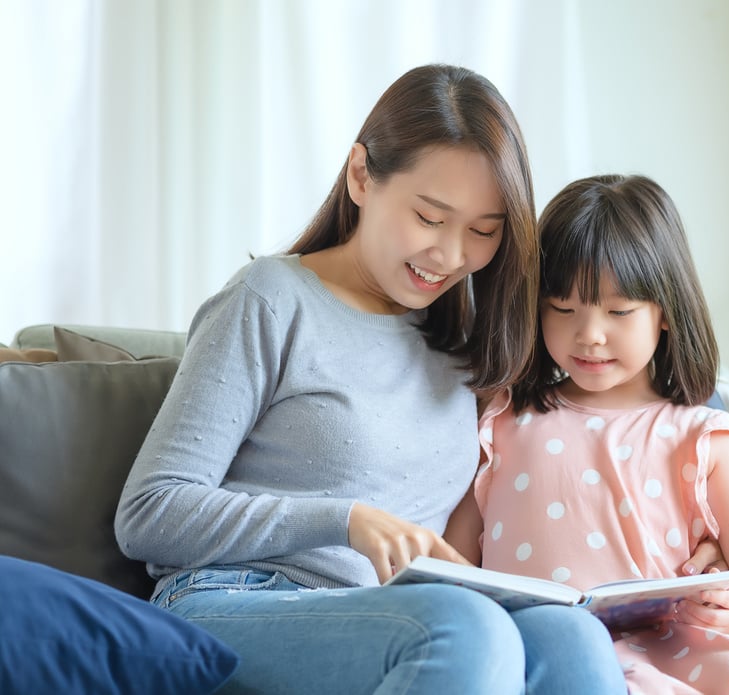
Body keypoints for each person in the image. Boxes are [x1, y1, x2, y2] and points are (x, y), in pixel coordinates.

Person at [114, 64, 629, 694]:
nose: (449, 255)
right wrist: (345, 520)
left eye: (483, 232)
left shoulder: (464, 342)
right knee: (463, 628)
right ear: (362, 176)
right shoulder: (271, 300)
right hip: (236, 600)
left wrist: (698, 537)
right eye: (429, 217)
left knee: (570, 636)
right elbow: (148, 512)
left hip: (394, 617)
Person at [444, 174, 729, 694]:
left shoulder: (709, 442)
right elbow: (455, 566)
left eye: (619, 312)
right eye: (562, 309)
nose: (589, 334)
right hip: (548, 656)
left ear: (665, 313)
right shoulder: (502, 423)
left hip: (679, 653)